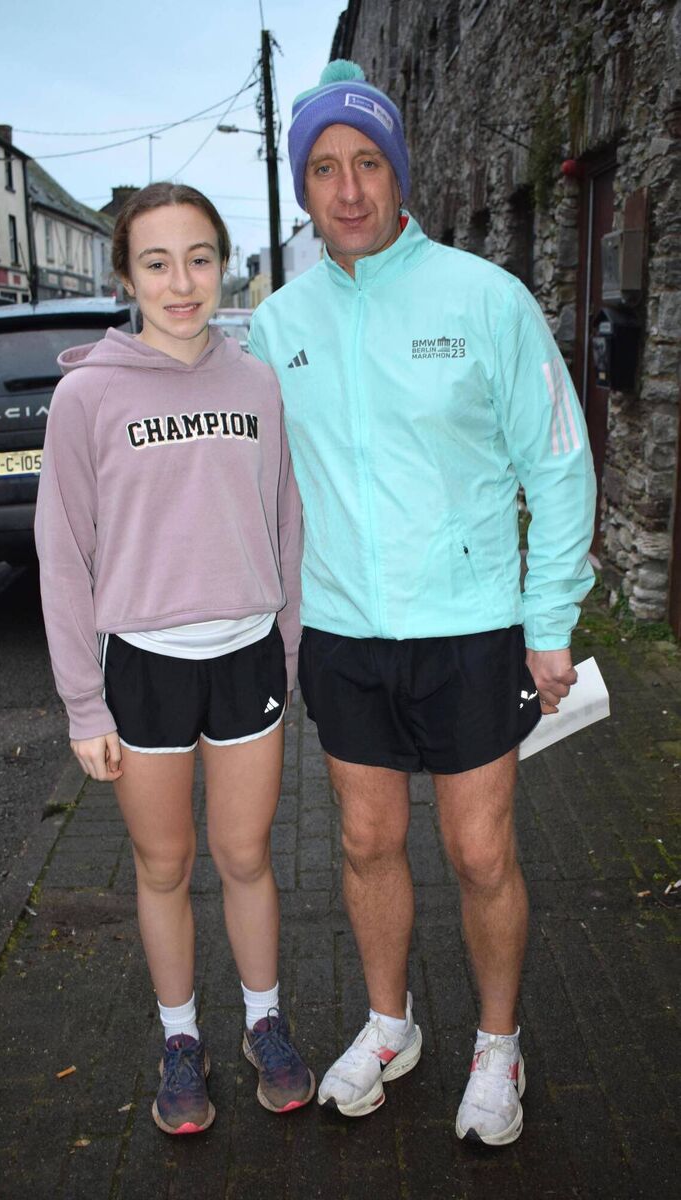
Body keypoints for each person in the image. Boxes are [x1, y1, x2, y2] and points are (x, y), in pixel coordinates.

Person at [248, 61, 596, 1146]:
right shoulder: (276, 324)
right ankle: (388, 1023)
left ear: (398, 175)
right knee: (361, 842)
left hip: (471, 627)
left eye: (366, 164)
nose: (347, 189)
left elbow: (558, 462)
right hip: (344, 636)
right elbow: (248, 478)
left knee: (480, 852)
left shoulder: (483, 297)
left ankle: (497, 1044)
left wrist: (547, 626)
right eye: (323, 168)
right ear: (302, 188)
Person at [35, 182, 314, 1135]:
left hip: (243, 660)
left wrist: (286, 651)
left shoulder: (256, 383)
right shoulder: (86, 396)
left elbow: (285, 522)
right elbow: (62, 555)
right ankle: (180, 1039)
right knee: (164, 867)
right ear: (126, 275)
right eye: (156, 262)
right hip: (142, 672)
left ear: (222, 262)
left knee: (244, 856)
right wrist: (83, 706)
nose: (181, 281)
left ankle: (264, 1024)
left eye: (199, 257)